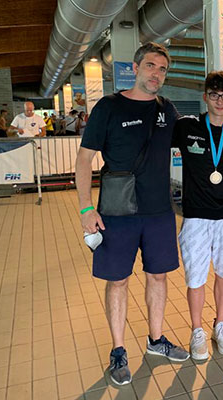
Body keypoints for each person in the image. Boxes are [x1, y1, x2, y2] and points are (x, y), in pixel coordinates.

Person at [75, 42, 189, 386]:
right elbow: (84, 160)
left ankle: (156, 339)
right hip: (117, 211)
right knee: (118, 280)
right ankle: (118, 350)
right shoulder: (108, 107)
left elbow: (193, 145)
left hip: (159, 211)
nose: (157, 74)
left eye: (162, 69)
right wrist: (86, 208)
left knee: (159, 276)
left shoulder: (167, 110)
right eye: (151, 66)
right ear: (136, 68)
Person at [172, 71, 223, 361]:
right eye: (214, 95)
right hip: (196, 216)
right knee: (196, 276)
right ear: (205, 97)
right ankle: (197, 329)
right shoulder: (187, 127)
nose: (219, 101)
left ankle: (220, 324)